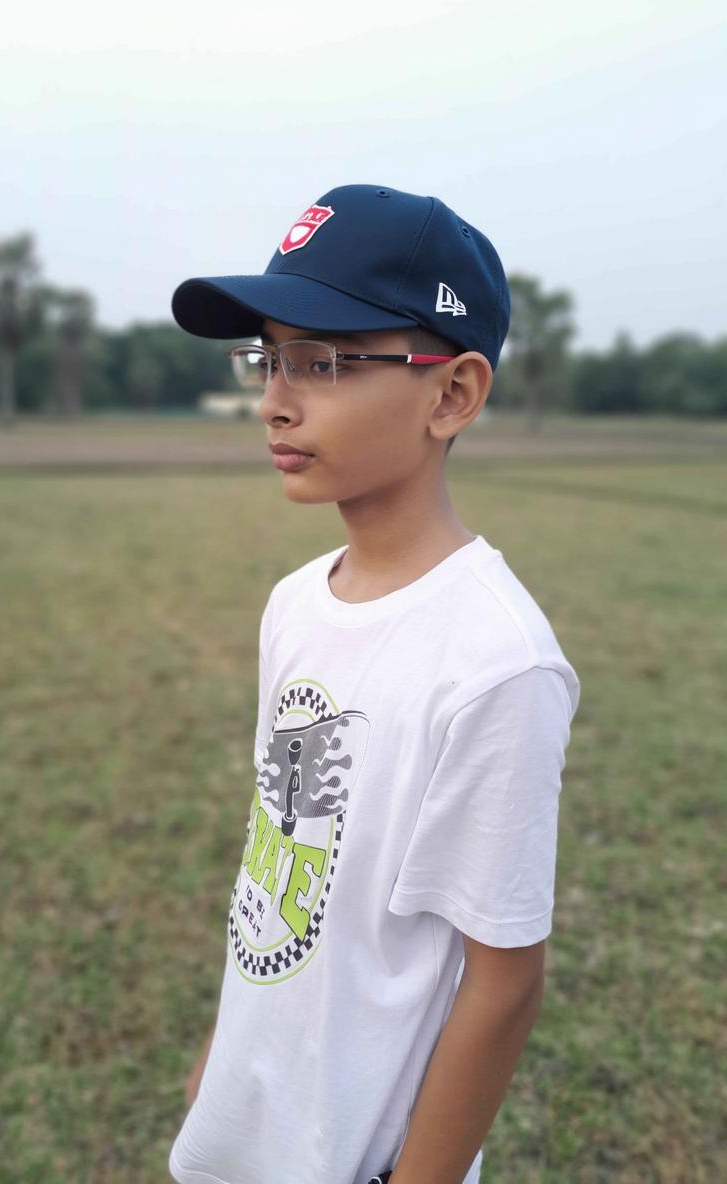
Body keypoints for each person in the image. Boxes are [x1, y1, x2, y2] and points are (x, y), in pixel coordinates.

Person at [166, 184, 581, 1184]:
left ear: (452, 393)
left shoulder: (496, 662)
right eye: (269, 357)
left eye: (323, 361)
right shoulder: (295, 602)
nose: (275, 396)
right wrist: (222, 1056)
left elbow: (503, 980)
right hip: (241, 1121)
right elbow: (279, 846)